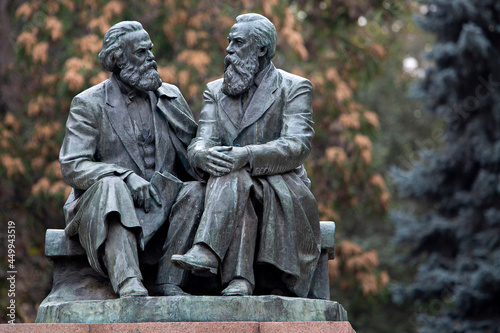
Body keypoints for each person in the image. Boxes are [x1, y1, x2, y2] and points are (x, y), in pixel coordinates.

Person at [172, 13, 321, 297]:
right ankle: (239, 280)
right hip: (226, 183)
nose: (228, 50)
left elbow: (297, 146)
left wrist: (246, 155)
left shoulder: (294, 87)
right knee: (234, 178)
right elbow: (201, 142)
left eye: (237, 43)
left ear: (262, 49)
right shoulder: (215, 91)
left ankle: (207, 250)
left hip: (279, 186)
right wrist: (203, 157)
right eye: (229, 42)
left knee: (236, 174)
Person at [59, 21, 203, 298]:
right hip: (106, 206)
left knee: (196, 190)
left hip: (162, 203)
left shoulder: (170, 98)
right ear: (118, 59)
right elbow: (73, 165)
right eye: (141, 52)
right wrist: (124, 176)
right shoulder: (89, 104)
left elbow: (194, 156)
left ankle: (170, 281)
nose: (151, 58)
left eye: (150, 50)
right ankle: (128, 281)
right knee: (112, 186)